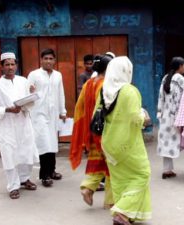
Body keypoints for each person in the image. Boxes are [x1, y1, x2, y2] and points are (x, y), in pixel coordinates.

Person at [101, 56, 152, 224]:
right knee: (142, 174)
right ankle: (122, 212)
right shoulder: (129, 90)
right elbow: (135, 118)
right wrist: (144, 116)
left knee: (120, 178)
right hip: (127, 142)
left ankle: (128, 213)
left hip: (109, 142)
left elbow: (98, 114)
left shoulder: (104, 90)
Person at [0, 52, 39, 199]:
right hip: (7, 125)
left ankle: (24, 179)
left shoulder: (23, 81)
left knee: (26, 151)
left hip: (23, 122)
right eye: (7, 64)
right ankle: (13, 186)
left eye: (12, 64)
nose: (10, 67)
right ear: (1, 67)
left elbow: (30, 100)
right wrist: (7, 109)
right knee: (10, 154)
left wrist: (32, 94)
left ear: (16, 65)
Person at [69, 54, 113, 209]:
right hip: (104, 130)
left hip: (93, 129)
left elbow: (79, 107)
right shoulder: (106, 85)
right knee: (111, 166)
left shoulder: (89, 83)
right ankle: (110, 201)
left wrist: (84, 127)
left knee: (96, 161)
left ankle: (87, 188)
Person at [27, 48, 67, 187]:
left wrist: (63, 111)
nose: (48, 61)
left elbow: (60, 93)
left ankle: (52, 171)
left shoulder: (58, 75)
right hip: (38, 114)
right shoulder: (34, 74)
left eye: (51, 59)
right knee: (44, 143)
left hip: (53, 114)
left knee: (52, 142)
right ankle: (44, 175)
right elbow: (27, 93)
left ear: (54, 60)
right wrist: (30, 91)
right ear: (41, 60)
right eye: (46, 58)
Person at [156, 56, 184, 179]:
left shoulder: (165, 78)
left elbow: (160, 97)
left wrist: (159, 113)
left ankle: (167, 170)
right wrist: (183, 117)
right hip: (176, 116)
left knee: (166, 143)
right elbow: (183, 100)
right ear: (180, 66)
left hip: (165, 116)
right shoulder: (181, 79)